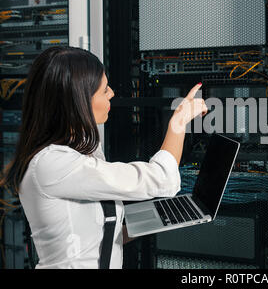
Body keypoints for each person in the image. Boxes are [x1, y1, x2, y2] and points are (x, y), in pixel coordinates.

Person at [0, 46, 208, 269]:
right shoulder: (52, 163)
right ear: (79, 100)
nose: (112, 94)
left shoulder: (80, 151)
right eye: (105, 89)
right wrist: (179, 121)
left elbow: (95, 236)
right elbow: (161, 179)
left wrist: (156, 220)